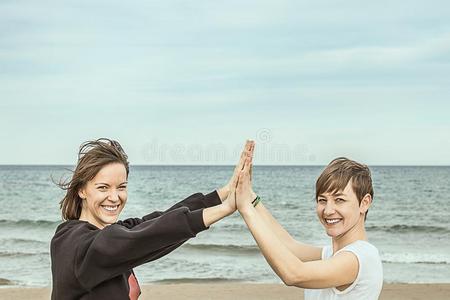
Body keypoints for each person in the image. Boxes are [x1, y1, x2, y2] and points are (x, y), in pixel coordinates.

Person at [50, 138, 253, 300]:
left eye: (121, 187)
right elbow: (148, 235)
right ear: (81, 190)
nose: (114, 197)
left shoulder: (110, 235)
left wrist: (226, 192)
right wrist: (227, 208)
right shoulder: (75, 244)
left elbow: (159, 223)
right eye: (103, 187)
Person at [235, 146, 383, 300]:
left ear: (364, 203)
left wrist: (245, 209)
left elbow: (294, 274)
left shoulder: (360, 257)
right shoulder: (331, 255)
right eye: (322, 200)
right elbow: (289, 246)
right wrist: (250, 197)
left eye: (339, 200)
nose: (328, 210)